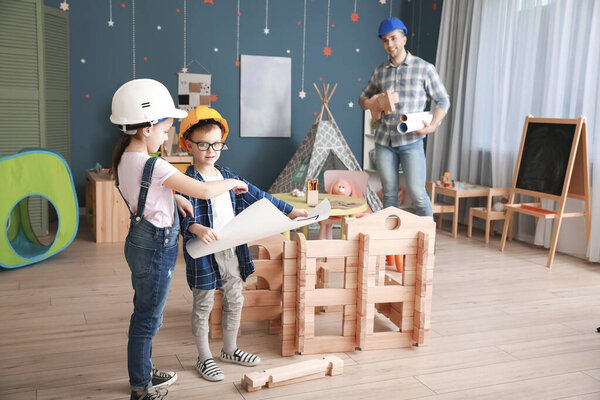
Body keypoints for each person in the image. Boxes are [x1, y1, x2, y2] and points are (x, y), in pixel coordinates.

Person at [110, 79, 249, 400]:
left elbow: (143, 192)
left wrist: (173, 199)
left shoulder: (125, 159)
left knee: (143, 310)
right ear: (146, 128)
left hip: (139, 240)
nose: (166, 135)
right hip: (158, 247)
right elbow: (203, 189)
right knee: (148, 319)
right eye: (164, 129)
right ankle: (141, 388)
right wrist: (231, 182)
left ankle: (143, 370)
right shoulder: (155, 163)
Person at [177, 106, 308, 382]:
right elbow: (178, 215)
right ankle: (204, 358)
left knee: (235, 298)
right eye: (203, 144)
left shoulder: (228, 175)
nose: (211, 150)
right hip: (202, 252)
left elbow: (259, 196)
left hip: (232, 248)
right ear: (189, 145)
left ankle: (230, 349)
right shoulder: (186, 181)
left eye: (217, 144)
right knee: (203, 305)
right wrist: (197, 227)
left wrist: (289, 211)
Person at [359, 17, 450, 216]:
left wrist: (433, 125)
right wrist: (370, 103)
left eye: (393, 38)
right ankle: (393, 243)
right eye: (385, 40)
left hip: (412, 141)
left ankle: (427, 243)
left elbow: (443, 100)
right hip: (384, 141)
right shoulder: (379, 72)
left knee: (417, 193)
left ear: (404, 39)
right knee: (389, 194)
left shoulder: (424, 68)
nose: (389, 44)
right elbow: (363, 99)